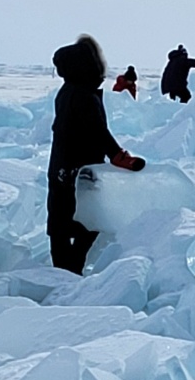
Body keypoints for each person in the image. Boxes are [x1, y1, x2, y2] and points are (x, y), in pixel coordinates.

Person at [48, 35, 144, 275]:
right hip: (80, 168)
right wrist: (119, 156)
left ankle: (64, 270)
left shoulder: (68, 91)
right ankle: (69, 271)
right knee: (87, 220)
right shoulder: (84, 95)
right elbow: (97, 132)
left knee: (61, 220)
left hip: (61, 165)